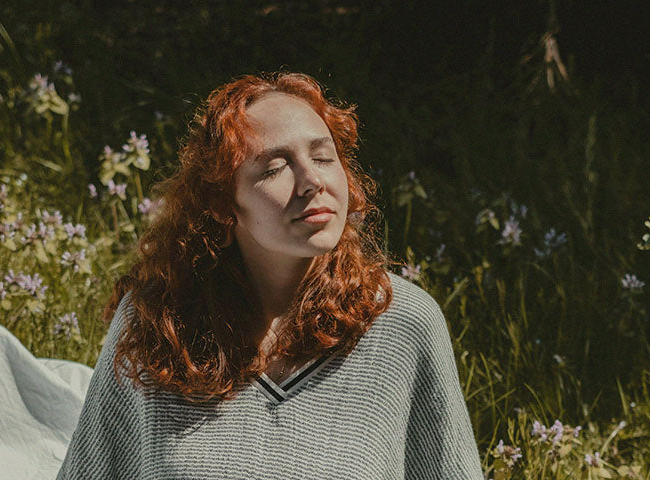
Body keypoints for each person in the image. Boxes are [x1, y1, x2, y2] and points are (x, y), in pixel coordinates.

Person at [57, 71, 484, 479]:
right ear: (223, 202)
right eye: (275, 168)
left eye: (323, 156)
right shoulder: (156, 320)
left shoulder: (403, 323)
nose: (312, 181)